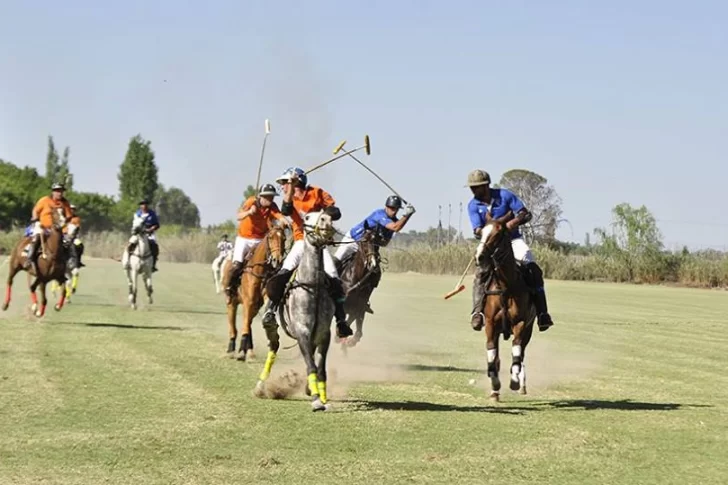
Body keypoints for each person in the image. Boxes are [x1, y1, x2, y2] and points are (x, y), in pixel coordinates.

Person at [260, 166, 353, 339]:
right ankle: (271, 310)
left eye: (285, 183)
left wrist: (324, 214)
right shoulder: (291, 199)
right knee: (284, 271)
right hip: (301, 241)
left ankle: (341, 320)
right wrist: (290, 185)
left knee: (333, 276)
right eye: (283, 184)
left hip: (318, 244)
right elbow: (286, 209)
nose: (283, 187)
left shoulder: (317, 193)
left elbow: (336, 211)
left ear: (297, 182)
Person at [466, 169, 554, 332]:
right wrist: (492, 230)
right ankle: (478, 313)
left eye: (476, 187)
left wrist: (510, 224)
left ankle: (542, 313)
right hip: (491, 244)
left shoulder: (505, 195)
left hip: (513, 241)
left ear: (485, 186)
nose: (473, 190)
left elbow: (524, 214)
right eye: (471, 187)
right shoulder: (473, 205)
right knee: (480, 274)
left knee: (532, 268)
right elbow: (477, 230)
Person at [225, 184, 289, 297]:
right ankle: (230, 287)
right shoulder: (251, 202)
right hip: (244, 238)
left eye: (272, 197)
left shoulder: (272, 206)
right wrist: (249, 212)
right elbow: (238, 216)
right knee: (236, 265)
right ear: (261, 197)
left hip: (260, 240)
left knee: (272, 266)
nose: (271, 199)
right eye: (268, 197)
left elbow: (279, 216)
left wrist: (285, 221)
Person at [24, 182, 73, 273]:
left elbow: (69, 215)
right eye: (57, 191)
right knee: (37, 237)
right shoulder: (44, 200)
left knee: (68, 242)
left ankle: (68, 262)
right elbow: (35, 210)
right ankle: (29, 259)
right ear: (53, 192)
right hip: (43, 226)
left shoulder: (65, 203)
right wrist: (35, 217)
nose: (60, 193)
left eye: (61, 191)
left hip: (58, 229)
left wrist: (66, 221)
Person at [125, 199, 160, 272]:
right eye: (142, 204)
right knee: (130, 245)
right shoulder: (137, 214)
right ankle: (128, 262)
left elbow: (157, 225)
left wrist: (151, 229)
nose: (144, 205)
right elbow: (134, 225)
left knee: (155, 246)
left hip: (149, 234)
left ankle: (153, 265)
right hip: (138, 234)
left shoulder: (152, 214)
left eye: (145, 204)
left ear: (147, 205)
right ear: (140, 206)